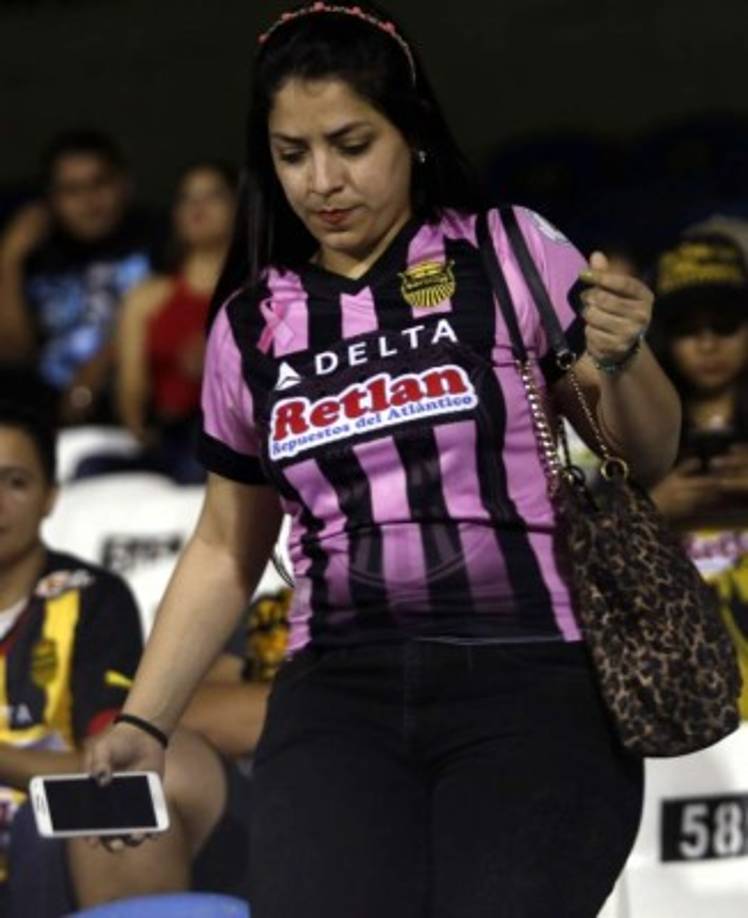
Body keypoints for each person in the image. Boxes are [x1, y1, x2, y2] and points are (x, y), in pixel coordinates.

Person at [87, 4, 681, 917]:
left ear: (410, 131)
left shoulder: (512, 250)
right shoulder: (252, 325)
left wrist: (626, 355)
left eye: (351, 142)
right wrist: (144, 721)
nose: (323, 180)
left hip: (533, 683)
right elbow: (223, 546)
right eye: (292, 154)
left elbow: (644, 452)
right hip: (338, 701)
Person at [0, 401, 254, 915]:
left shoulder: (93, 599)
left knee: (100, 812)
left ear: (52, 498)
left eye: (16, 482)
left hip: (44, 837)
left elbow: (111, 763)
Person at [649, 231, 748, 718]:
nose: (708, 344)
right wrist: (649, 509)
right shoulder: (632, 431)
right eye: (689, 330)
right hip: (687, 694)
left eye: (725, 325)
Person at [0, 130, 158, 426]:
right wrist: (9, 261)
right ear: (50, 200)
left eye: (99, 183)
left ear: (125, 185)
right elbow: (14, 354)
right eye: (71, 190)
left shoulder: (156, 242)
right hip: (48, 418)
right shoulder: (38, 258)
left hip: (135, 413)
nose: (88, 201)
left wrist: (101, 363)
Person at [114, 162, 237, 482]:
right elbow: (131, 394)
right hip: (169, 438)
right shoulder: (145, 297)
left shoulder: (262, 292)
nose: (198, 207)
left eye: (213, 196)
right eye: (187, 198)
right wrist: (144, 432)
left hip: (235, 439)